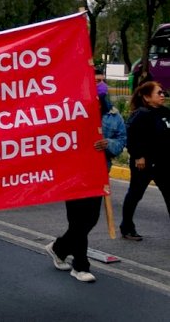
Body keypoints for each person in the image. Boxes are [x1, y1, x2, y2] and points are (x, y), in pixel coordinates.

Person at [45, 81, 127, 283]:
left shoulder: (113, 116)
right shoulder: (68, 112)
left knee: (90, 220)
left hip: (97, 176)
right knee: (77, 221)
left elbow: (121, 140)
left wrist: (108, 144)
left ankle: (59, 248)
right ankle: (80, 266)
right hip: (73, 174)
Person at [119, 81, 170, 241]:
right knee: (135, 194)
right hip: (144, 164)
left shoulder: (165, 112)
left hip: (163, 163)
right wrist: (138, 155)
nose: (162, 95)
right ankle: (127, 227)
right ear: (147, 97)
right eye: (159, 93)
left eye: (163, 92)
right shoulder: (141, 114)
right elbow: (131, 137)